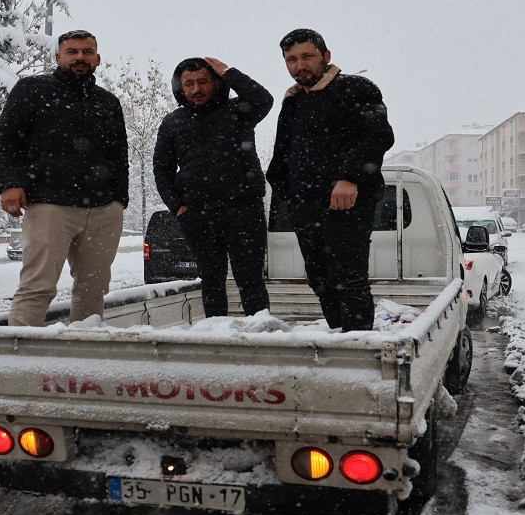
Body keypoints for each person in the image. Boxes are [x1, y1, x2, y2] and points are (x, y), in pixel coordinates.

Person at [0, 30, 128, 327]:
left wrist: (119, 199)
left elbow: (118, 154)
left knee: (94, 289)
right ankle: (19, 360)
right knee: (37, 287)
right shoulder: (32, 89)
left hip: (103, 209)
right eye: (72, 51)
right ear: (58, 57)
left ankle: (83, 359)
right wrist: (10, 183)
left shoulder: (107, 102)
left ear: (97, 59)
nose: (80, 57)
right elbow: (6, 139)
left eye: (87, 52)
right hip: (50, 203)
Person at [265, 29, 394, 332]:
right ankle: (340, 338)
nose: (300, 65)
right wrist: (287, 195)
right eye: (291, 59)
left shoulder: (354, 88)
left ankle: (359, 348)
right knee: (319, 279)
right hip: (305, 206)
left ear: (326, 56)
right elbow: (281, 154)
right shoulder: (294, 101)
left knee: (348, 278)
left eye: (307, 56)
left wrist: (350, 179)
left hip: (348, 201)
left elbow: (379, 135)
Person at [154, 57, 274, 317]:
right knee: (211, 280)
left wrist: (229, 72)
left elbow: (264, 99)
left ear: (216, 83)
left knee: (250, 279)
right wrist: (177, 207)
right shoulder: (173, 122)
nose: (196, 89)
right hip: (198, 214)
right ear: (181, 88)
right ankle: (216, 337)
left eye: (203, 81)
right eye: (189, 83)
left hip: (244, 209)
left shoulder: (239, 111)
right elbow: (162, 170)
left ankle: (260, 338)